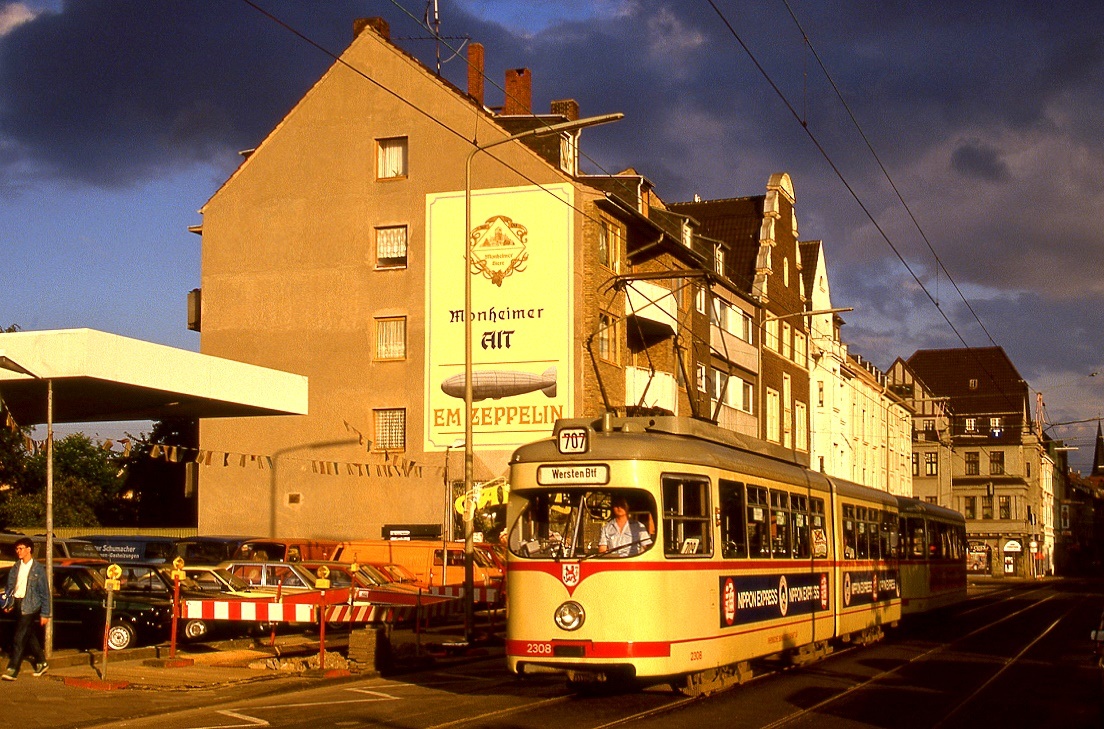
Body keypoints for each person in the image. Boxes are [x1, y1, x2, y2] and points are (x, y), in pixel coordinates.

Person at [2, 537, 51, 680]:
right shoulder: (16, 567)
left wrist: (45, 613)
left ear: (29, 549)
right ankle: (42, 662)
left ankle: (13, 669)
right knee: (28, 635)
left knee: (19, 637)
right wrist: (9, 603)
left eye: (21, 548)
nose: (18, 551)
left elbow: (44, 592)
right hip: (18, 603)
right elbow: (10, 588)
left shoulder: (37, 569)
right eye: (17, 549)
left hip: (30, 605)